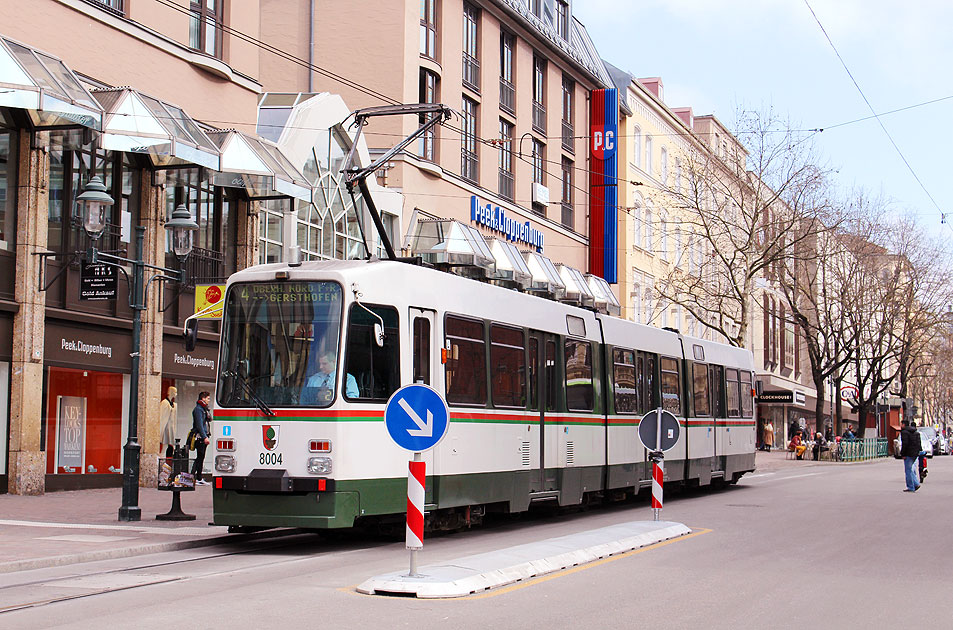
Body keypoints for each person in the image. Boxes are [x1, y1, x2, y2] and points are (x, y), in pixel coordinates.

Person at [191, 391, 212, 485]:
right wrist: (204, 437)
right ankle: (193, 477)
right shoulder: (198, 410)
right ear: (203, 398)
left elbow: (210, 419)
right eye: (208, 398)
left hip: (204, 436)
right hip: (200, 437)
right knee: (199, 457)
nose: (209, 400)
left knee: (201, 457)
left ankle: (198, 477)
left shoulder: (204, 409)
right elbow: (199, 424)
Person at [899, 419, 921, 492]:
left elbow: (905, 444)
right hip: (915, 454)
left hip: (908, 453)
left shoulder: (904, 432)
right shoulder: (916, 432)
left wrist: (903, 454)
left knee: (908, 470)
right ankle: (916, 484)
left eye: (901, 424)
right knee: (911, 470)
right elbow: (919, 443)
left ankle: (911, 487)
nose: (900, 426)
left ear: (904, 425)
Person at [159, 386, 177, 458]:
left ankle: (164, 463)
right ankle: (161, 461)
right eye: (175, 392)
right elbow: (162, 417)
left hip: (171, 428)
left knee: (170, 446)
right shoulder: (164, 403)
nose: (176, 394)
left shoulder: (173, 404)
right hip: (166, 428)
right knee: (165, 446)